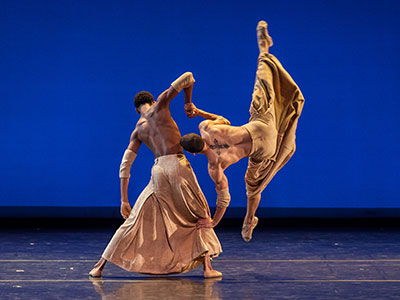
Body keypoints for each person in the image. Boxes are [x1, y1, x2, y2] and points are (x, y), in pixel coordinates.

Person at [89, 72, 222, 279]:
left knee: (134, 219)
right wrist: (188, 103)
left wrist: (124, 199)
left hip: (158, 170)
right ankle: (207, 268)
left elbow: (125, 165)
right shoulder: (160, 105)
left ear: (136, 110)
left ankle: (99, 266)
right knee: (198, 212)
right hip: (177, 164)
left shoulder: (137, 130)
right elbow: (188, 77)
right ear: (151, 101)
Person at [181, 21, 305, 242]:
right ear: (198, 136)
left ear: (192, 153)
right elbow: (223, 120)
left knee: (253, 187)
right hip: (260, 126)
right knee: (262, 86)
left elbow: (224, 198)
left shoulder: (214, 166)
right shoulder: (207, 128)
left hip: (264, 148)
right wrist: (198, 112)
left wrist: (213, 222)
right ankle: (263, 49)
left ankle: (248, 221)